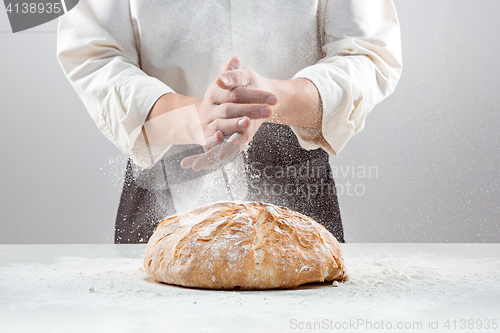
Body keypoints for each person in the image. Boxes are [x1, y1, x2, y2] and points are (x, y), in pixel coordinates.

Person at [57, 0, 402, 244]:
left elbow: (366, 51)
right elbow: (93, 53)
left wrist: (270, 98)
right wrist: (197, 117)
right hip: (163, 168)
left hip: (296, 175)